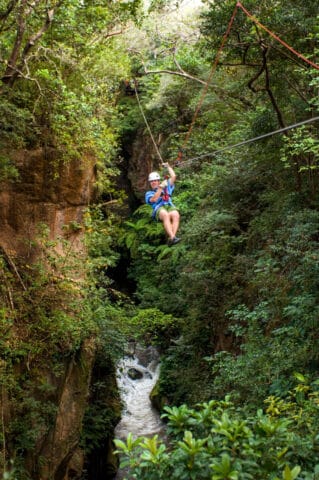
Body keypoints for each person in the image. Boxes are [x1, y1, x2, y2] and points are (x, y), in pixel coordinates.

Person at [145, 163, 181, 245]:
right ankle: (173, 237)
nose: (153, 182)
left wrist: (168, 166)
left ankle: (172, 238)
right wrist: (160, 188)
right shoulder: (149, 193)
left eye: (155, 181)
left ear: (158, 181)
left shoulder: (166, 185)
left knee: (176, 214)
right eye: (151, 181)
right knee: (165, 215)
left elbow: (173, 177)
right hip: (159, 208)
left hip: (168, 205)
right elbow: (154, 199)